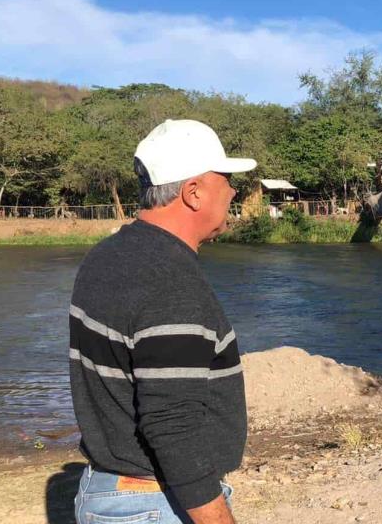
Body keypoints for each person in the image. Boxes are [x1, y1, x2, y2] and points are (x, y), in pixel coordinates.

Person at [69, 119, 254, 524]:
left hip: (109, 491)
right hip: (153, 504)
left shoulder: (106, 256)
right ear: (193, 193)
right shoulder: (171, 283)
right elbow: (173, 426)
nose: (234, 190)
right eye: (225, 179)